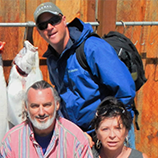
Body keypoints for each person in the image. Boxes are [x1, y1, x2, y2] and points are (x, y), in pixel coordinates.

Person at [34, 2, 136, 147]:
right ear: (39, 32)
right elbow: (63, 99)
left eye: (54, 21)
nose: (49, 27)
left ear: (64, 20)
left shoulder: (92, 48)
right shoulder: (52, 59)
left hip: (111, 134)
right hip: (82, 138)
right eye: (43, 25)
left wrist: (107, 129)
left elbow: (125, 90)